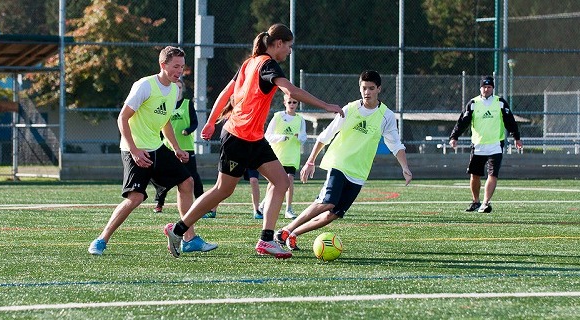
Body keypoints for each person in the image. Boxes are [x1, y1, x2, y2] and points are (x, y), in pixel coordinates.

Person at [163, 23, 344, 259]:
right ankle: (177, 230)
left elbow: (226, 92)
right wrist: (327, 106)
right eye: (288, 46)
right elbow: (291, 91)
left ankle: (266, 240)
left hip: (254, 138)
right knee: (222, 190)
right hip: (238, 137)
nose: (289, 51)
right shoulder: (266, 64)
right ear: (278, 44)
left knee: (281, 182)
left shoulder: (250, 62)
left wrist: (211, 121)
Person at [87, 46, 217, 255]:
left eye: (182, 67)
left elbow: (165, 122)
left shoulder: (175, 89)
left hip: (157, 147)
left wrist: (176, 148)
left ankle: (189, 238)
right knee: (136, 198)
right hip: (134, 149)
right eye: (175, 66)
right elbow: (122, 117)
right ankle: (101, 240)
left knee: (187, 182)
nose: (179, 71)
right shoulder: (144, 86)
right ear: (163, 65)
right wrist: (135, 150)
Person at [275, 70, 412, 251]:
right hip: (339, 162)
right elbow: (326, 136)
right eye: (364, 88)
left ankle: (293, 234)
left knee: (334, 214)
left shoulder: (386, 116)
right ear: (360, 88)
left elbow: (395, 144)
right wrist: (310, 161)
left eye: (371, 88)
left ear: (379, 89)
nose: (367, 92)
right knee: (327, 202)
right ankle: (285, 230)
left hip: (359, 171)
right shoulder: (350, 109)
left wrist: (405, 167)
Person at [449, 76, 522, 213]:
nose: (486, 89)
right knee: (475, 175)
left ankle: (485, 203)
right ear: (480, 88)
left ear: (493, 88)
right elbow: (462, 122)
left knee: (492, 174)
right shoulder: (473, 103)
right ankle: (475, 201)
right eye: (484, 87)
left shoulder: (500, 102)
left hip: (495, 145)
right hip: (478, 146)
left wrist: (516, 138)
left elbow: (510, 121)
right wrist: (454, 136)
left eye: (489, 87)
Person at [151, 79, 217, 219]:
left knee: (193, 177)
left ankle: (202, 206)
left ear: (182, 90)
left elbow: (194, 123)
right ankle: (159, 203)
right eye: (175, 87)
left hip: (186, 147)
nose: (177, 90)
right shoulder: (166, 104)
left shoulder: (187, 104)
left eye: (180, 87)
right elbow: (160, 124)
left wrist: (188, 130)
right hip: (168, 147)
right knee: (166, 178)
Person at [260, 94, 307, 219]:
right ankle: (265, 204)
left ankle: (288, 209)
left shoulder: (300, 119)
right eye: (289, 102)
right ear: (285, 103)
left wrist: (299, 137)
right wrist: (281, 137)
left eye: (294, 102)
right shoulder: (278, 116)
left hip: (292, 156)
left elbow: (304, 137)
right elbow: (268, 135)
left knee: (289, 180)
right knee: (273, 182)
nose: (292, 105)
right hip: (278, 155)